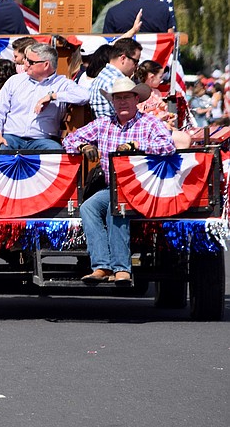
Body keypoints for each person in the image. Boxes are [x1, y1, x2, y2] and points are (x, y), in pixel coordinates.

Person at [62, 77, 176, 286]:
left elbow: (168, 146)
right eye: (118, 98)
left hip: (143, 189)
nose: (122, 102)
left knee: (115, 207)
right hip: (112, 187)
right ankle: (101, 266)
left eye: (126, 97)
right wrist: (83, 147)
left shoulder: (149, 123)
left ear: (136, 100)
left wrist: (137, 145)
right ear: (112, 102)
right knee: (88, 207)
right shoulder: (104, 123)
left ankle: (121, 268)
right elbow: (69, 139)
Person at [0, 41, 90, 150]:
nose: (25, 63)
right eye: (25, 59)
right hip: (12, 137)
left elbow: (84, 95)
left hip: (43, 140)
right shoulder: (15, 80)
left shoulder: (62, 83)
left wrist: (52, 96)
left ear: (45, 65)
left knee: (55, 151)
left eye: (30, 61)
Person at [87, 38, 142, 121]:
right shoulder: (115, 81)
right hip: (115, 131)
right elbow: (129, 115)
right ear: (123, 58)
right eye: (135, 62)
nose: (136, 67)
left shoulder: (105, 74)